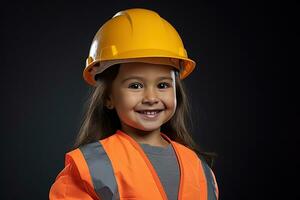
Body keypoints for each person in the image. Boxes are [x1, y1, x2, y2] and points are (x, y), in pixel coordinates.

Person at [49, 8, 219, 200]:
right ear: (108, 97)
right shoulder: (89, 168)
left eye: (163, 85)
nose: (151, 97)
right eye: (135, 85)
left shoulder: (200, 170)